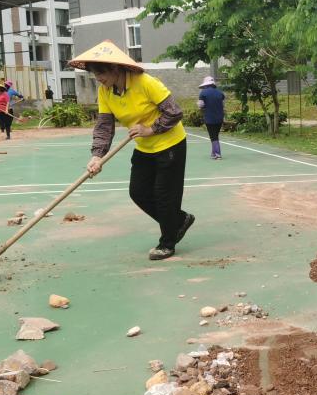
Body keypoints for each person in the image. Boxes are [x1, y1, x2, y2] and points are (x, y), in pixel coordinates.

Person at [70, 40, 195, 261]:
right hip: (144, 148)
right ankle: (179, 221)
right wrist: (97, 155)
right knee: (138, 192)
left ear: (116, 68)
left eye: (101, 73)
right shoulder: (105, 92)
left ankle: (167, 243)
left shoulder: (145, 82)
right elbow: (104, 125)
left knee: (165, 197)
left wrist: (151, 129)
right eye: (94, 74)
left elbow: (174, 113)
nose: (98, 78)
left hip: (170, 144)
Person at [197, 75, 226, 160]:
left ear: (206, 84)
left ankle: (217, 154)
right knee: (215, 135)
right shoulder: (220, 93)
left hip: (209, 118)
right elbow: (223, 105)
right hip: (219, 118)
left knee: (213, 136)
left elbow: (200, 105)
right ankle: (213, 153)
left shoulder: (203, 93)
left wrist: (200, 106)